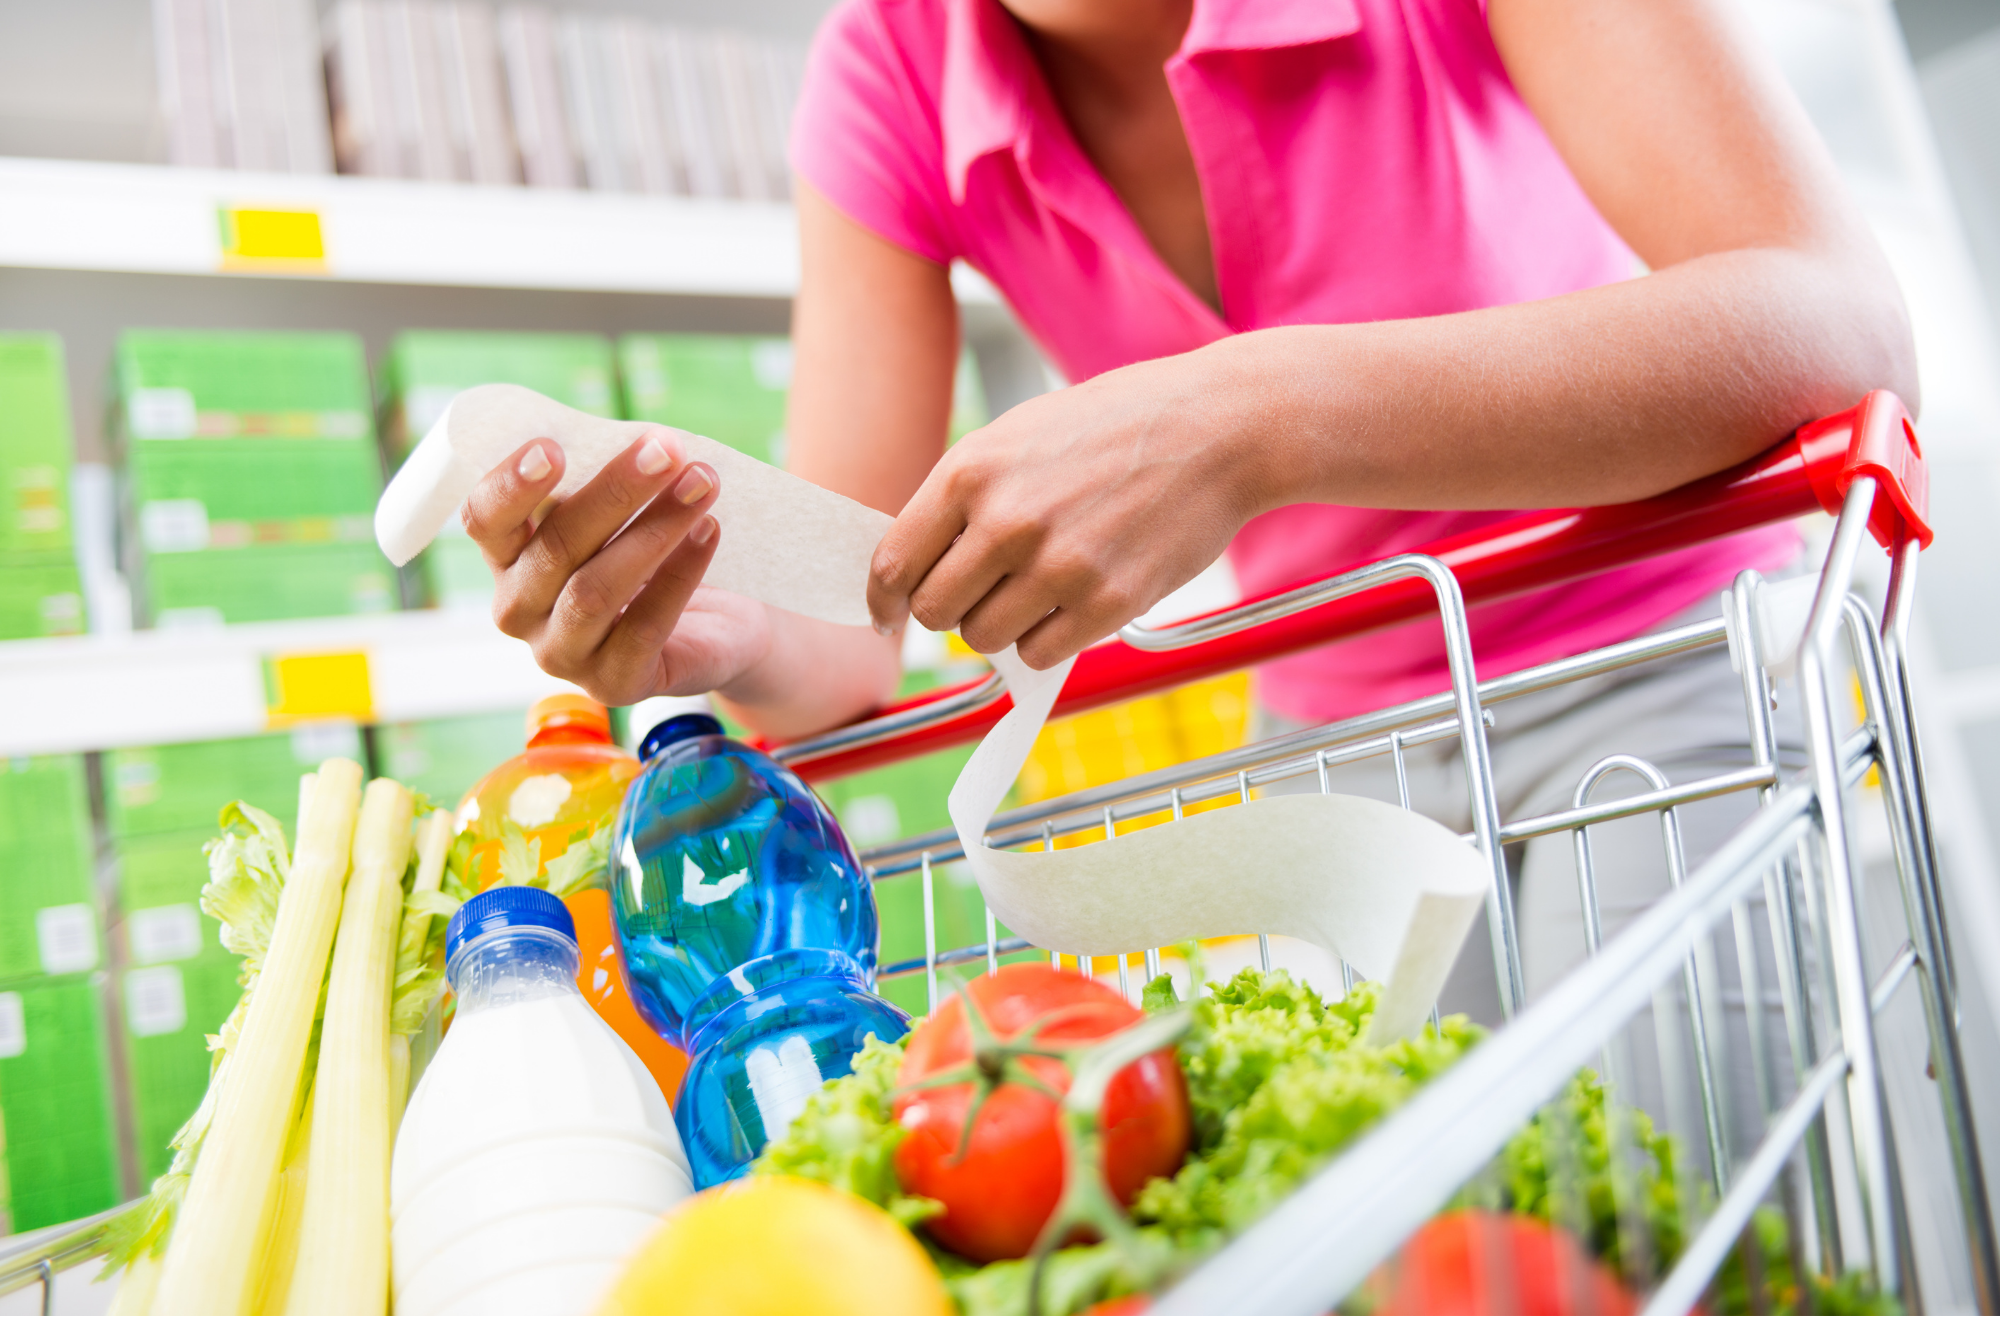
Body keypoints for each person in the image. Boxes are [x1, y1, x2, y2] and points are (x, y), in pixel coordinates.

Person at [459, 0, 1910, 1023]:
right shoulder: (888, 67)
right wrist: (701, 614)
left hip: (1660, 663)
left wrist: (1250, 419)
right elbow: (847, 641)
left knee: (1705, 1233)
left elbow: (1837, 321)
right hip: (1339, 760)